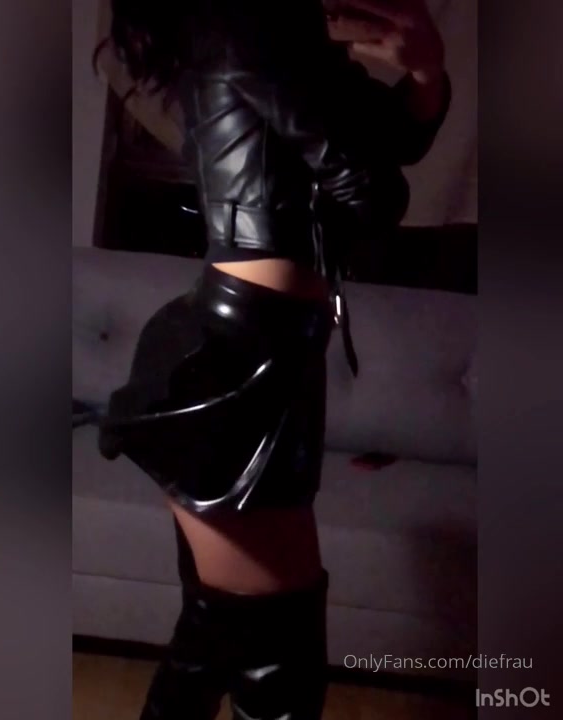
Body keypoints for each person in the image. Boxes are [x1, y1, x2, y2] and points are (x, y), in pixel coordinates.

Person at [95, 1, 451, 717]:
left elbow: (390, 140)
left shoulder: (264, 24)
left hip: (263, 347)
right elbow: (373, 191)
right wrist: (372, 162)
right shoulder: (252, 19)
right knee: (278, 659)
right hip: (242, 354)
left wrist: (425, 73)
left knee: (215, 633)